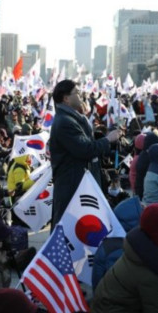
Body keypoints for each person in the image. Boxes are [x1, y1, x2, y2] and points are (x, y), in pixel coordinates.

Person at [49, 79, 120, 227]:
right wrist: (107, 140)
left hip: (79, 183)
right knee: (67, 231)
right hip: (72, 185)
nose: (81, 96)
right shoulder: (65, 122)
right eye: (77, 93)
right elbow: (85, 149)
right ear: (66, 98)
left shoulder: (73, 118)